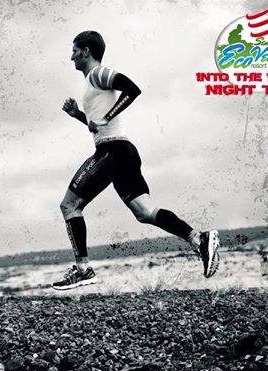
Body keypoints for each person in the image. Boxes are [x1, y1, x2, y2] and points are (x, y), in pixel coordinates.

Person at [53, 30, 219, 290]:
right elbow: (97, 125)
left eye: (74, 51)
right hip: (123, 152)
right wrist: (78, 115)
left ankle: (83, 270)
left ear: (86, 51)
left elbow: (132, 89)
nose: (71, 56)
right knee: (145, 212)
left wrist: (106, 117)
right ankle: (199, 239)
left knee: (69, 206)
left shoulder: (98, 73)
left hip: (112, 151)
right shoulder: (92, 83)